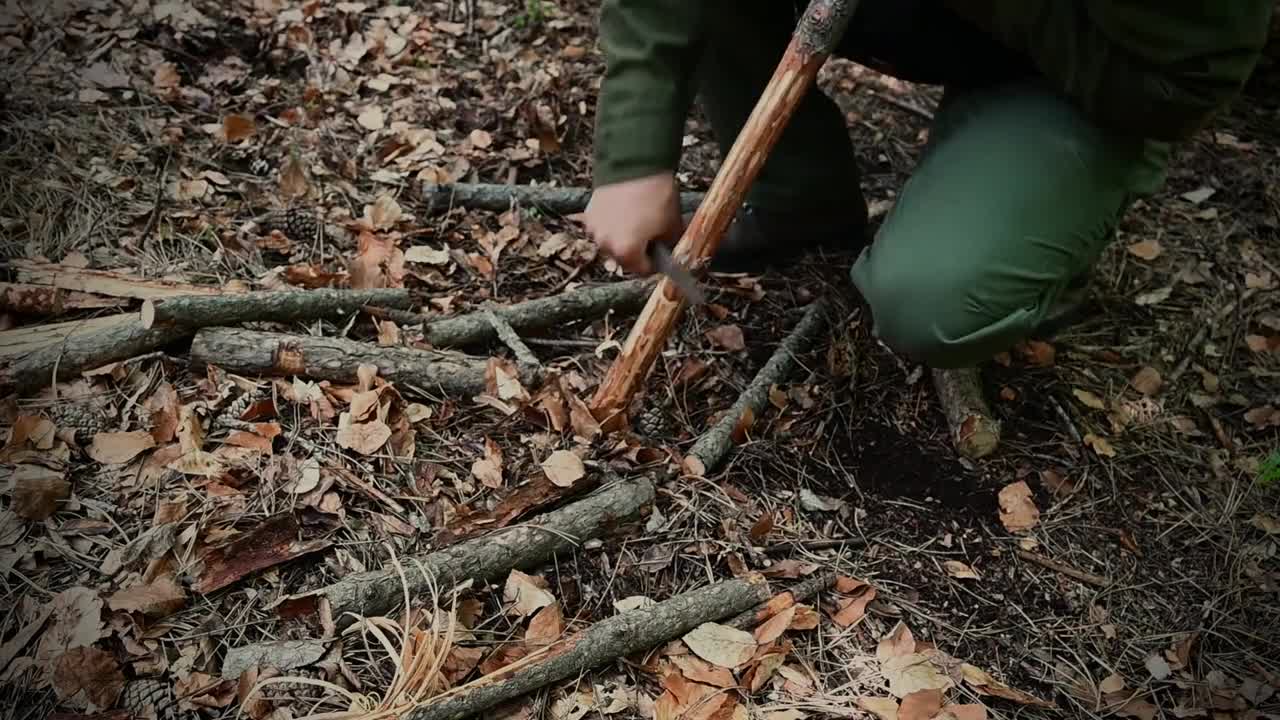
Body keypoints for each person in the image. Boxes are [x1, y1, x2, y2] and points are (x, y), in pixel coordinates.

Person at [581, 1, 1273, 370]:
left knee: (933, 301)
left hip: (1085, 68)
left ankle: (1034, 243)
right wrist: (634, 151)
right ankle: (803, 204)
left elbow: (1179, 87)